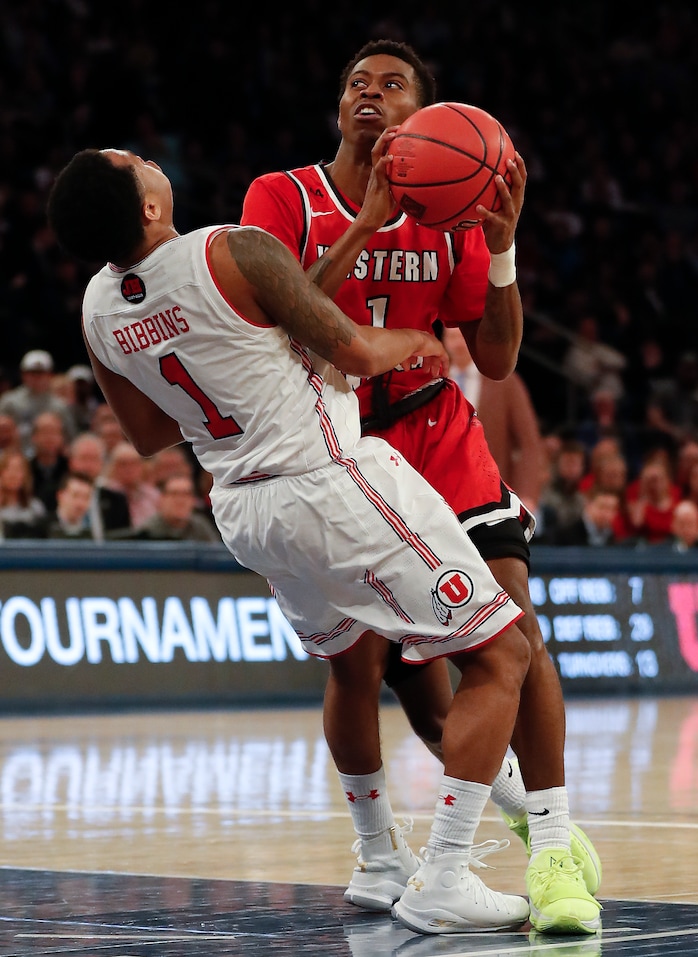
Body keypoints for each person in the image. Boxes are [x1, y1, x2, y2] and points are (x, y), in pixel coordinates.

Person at [47, 146, 538, 936]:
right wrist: (415, 341)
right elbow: (352, 348)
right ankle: (445, 874)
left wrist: (227, 371)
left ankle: (380, 860)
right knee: (501, 654)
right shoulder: (231, 247)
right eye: (135, 160)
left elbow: (143, 433)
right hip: (325, 475)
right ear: (146, 207)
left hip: (244, 507)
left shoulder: (99, 309)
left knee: (349, 665)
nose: (147, 157)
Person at [241, 38, 600, 935]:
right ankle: (381, 853)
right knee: (367, 671)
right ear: (339, 109)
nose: (370, 94)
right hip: (329, 442)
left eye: (392, 85)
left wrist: (503, 248)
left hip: (434, 432)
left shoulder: (451, 211)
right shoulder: (281, 197)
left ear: (425, 120)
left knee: (514, 633)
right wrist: (364, 221)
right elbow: (283, 327)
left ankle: (553, 848)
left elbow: (501, 356)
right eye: (356, 84)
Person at [442, 324, 545, 515]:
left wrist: (528, 495)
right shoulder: (436, 380)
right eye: (452, 337)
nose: (458, 344)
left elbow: (529, 444)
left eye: (462, 337)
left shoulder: (504, 381)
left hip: (494, 494)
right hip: (443, 494)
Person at [0, 349, 77, 455]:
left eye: (41, 373)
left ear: (50, 375)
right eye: (32, 373)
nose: (37, 378)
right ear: (23, 375)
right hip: (15, 458)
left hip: (48, 458)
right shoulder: (9, 402)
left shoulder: (59, 406)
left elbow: (70, 438)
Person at [110, 473, 221, 542]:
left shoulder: (200, 527)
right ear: (161, 499)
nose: (180, 500)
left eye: (186, 494)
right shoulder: (149, 530)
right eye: (174, 494)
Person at [66, 432, 131, 539]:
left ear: (102, 463)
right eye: (84, 458)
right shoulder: (54, 493)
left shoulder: (116, 500)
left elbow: (124, 540)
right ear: (71, 461)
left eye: (94, 459)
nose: (88, 465)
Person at [548, 489, 622, 547]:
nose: (607, 514)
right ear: (588, 505)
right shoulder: (564, 535)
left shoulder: (614, 541)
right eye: (602, 507)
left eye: (612, 509)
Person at [45, 471, 97, 539]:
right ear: (60, 496)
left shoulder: (95, 532)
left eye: (86, 497)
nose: (80, 503)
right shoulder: (42, 529)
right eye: (75, 495)